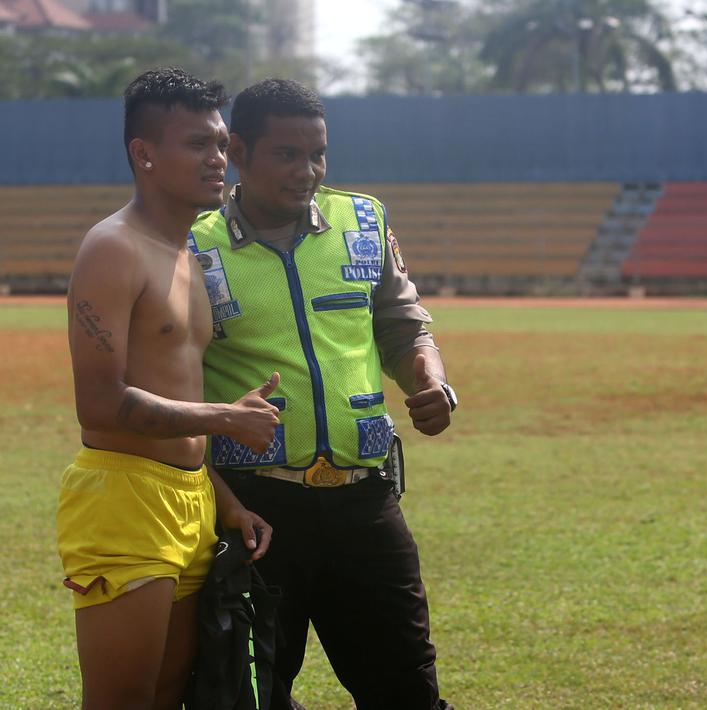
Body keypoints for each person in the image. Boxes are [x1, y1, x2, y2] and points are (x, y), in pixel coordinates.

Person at [189, 78, 456, 709]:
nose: (307, 171)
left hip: (365, 501)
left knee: (406, 688)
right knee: (250, 693)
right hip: (254, 510)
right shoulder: (193, 246)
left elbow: (404, 325)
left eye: (318, 154)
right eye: (287, 154)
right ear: (239, 153)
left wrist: (431, 379)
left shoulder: (362, 221)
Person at [58, 67, 280, 709]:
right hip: (123, 498)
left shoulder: (185, 254)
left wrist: (224, 499)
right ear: (144, 154)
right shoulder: (113, 248)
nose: (219, 160)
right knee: (121, 700)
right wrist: (226, 419)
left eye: (220, 144)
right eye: (197, 144)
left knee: (170, 696)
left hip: (189, 501)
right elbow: (100, 403)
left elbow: (169, 391)